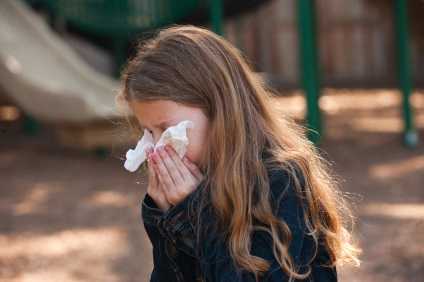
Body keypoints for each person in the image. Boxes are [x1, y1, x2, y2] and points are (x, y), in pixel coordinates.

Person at [116, 25, 361, 282]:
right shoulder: (192, 185)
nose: (157, 147)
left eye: (166, 129)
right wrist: (165, 219)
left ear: (218, 109)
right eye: (148, 133)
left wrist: (194, 213)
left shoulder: (280, 181)